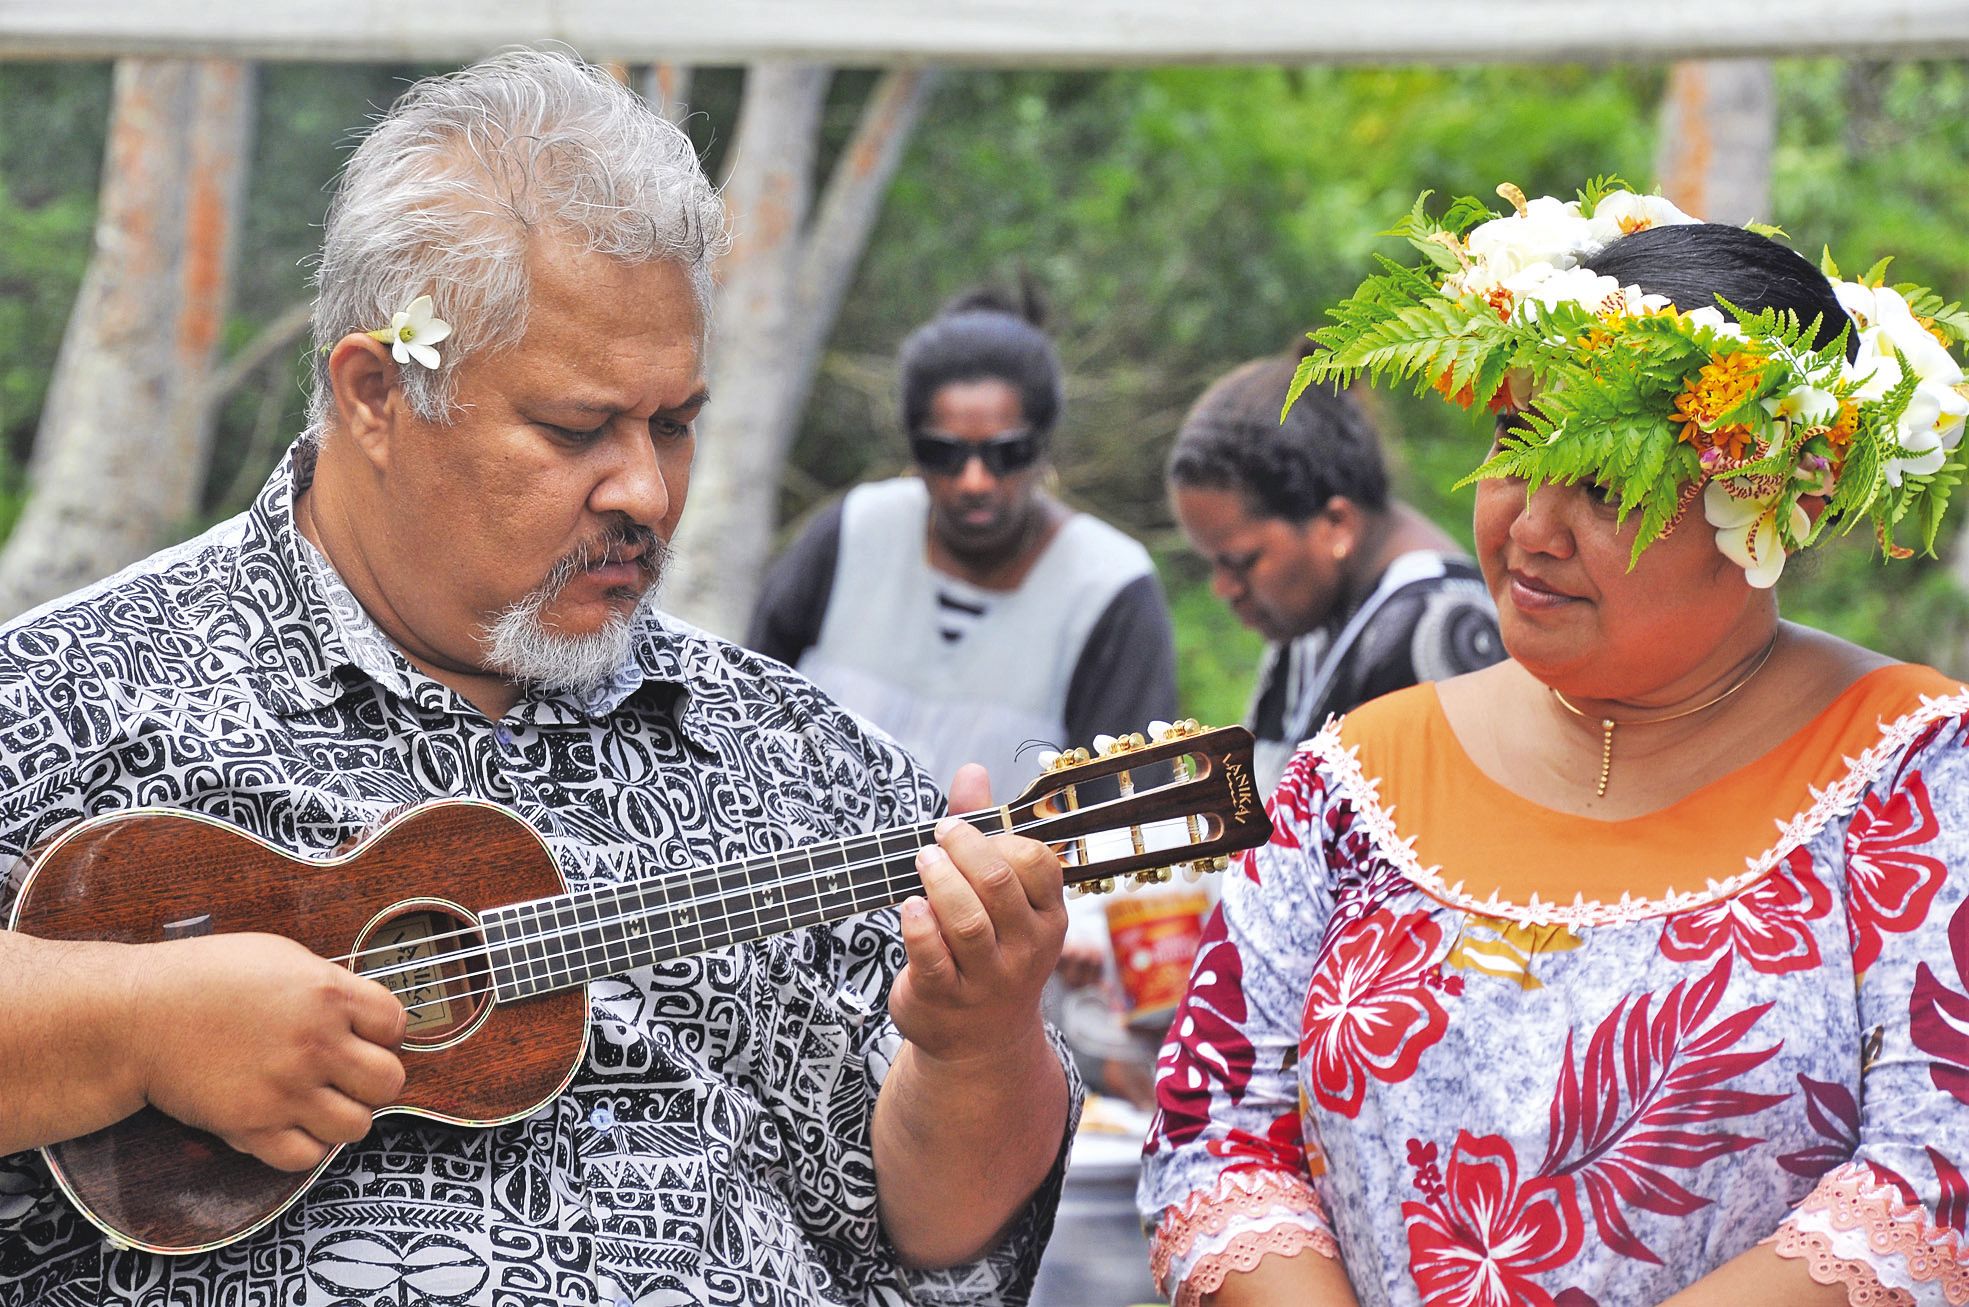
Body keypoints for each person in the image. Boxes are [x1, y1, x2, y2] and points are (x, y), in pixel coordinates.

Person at [0, 50, 1078, 1307]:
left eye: (673, 423)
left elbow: (942, 1239)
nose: (647, 492)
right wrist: (134, 1016)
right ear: (377, 393)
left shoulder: (800, 759)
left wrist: (980, 1039)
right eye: (577, 430)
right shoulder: (69, 703)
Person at [1140, 182, 1969, 1306]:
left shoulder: (1915, 770)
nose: (1527, 524)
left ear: (1770, 502)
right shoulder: (1357, 777)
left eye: (1599, 481)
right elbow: (1213, 1132)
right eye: (1512, 445)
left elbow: (1936, 1179)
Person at [747, 288, 1179, 792]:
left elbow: (1126, 803)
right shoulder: (851, 532)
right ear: (912, 444)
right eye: (943, 452)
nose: (975, 481)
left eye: (1007, 453)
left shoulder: (1109, 588)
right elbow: (744, 716)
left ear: (1043, 448)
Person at [1167, 352, 1503, 791]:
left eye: (1242, 562)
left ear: (1335, 524)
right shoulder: (1311, 615)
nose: (1223, 588)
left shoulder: (1433, 630)